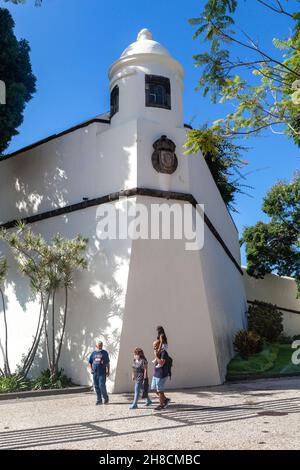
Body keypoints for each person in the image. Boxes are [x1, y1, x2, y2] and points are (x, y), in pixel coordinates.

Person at [151, 326, 171, 410]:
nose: (154, 348)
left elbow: (161, 363)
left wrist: (156, 356)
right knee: (154, 389)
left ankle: (161, 405)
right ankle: (165, 400)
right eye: (153, 346)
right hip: (156, 374)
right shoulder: (158, 351)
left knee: (159, 390)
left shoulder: (163, 353)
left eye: (155, 346)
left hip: (161, 374)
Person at [88, 340, 110, 405]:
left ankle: (105, 398)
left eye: (101, 345)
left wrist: (108, 371)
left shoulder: (104, 353)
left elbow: (107, 363)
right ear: (96, 346)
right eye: (99, 345)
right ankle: (99, 400)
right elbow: (90, 362)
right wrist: (91, 369)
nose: (100, 346)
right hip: (95, 373)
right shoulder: (93, 353)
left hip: (102, 373)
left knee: (101, 385)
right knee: (96, 386)